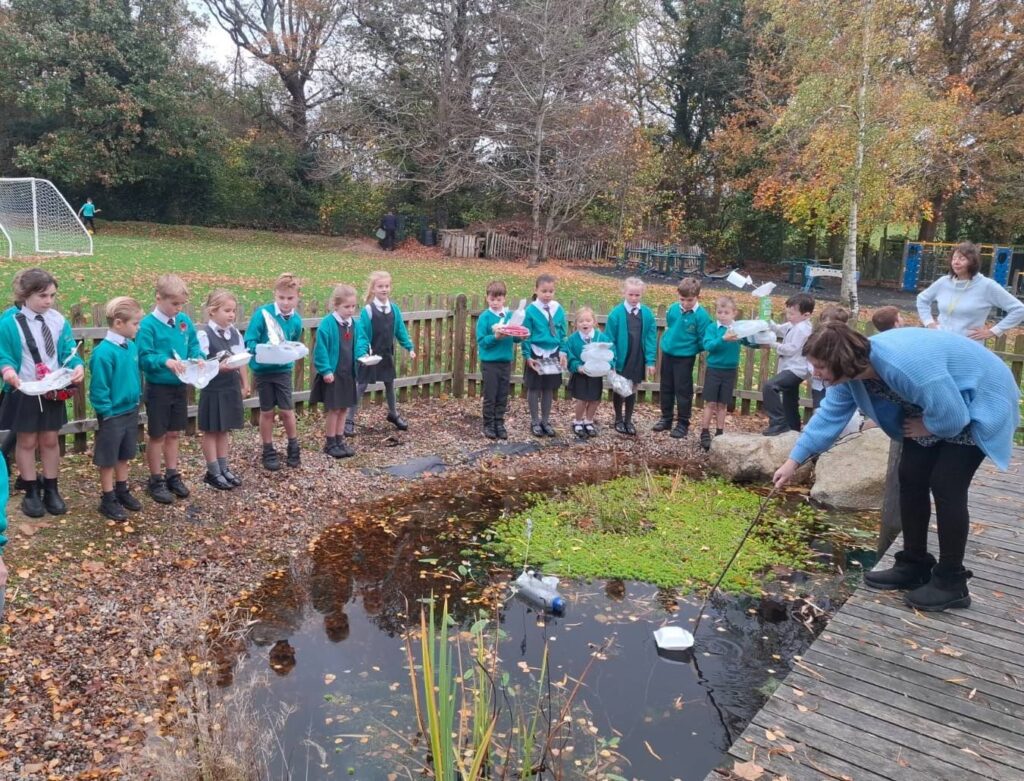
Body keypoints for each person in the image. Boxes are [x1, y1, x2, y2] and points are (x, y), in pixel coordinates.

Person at [773, 324, 1020, 612]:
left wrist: (928, 426)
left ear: (843, 361)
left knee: (946, 484)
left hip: (977, 400)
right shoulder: (851, 378)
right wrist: (793, 461)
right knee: (910, 477)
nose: (815, 373)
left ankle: (952, 582)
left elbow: (954, 417)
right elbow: (828, 417)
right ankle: (914, 563)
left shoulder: (905, 367)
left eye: (821, 367)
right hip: (933, 409)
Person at [0, 268, 85, 517]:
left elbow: (68, 349)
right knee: (26, 441)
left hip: (51, 388)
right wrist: (7, 372)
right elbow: (4, 353)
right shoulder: (9, 322)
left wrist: (77, 365)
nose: (49, 301)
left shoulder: (58, 320)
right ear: (25, 295)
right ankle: (31, 490)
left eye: (52, 295)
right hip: (23, 388)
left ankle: (51, 487)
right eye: (43, 296)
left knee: (49, 439)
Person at [136, 274, 203, 502]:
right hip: (158, 387)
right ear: (158, 298)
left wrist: (198, 358)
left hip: (179, 386)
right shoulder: (147, 326)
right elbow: (144, 356)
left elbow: (193, 343)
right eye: (174, 303)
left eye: (181, 304)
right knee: (157, 435)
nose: (179, 308)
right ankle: (155, 479)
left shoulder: (183, 320)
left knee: (174, 433)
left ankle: (172, 474)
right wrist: (165, 361)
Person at [88, 296, 144, 521]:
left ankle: (122, 490)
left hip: (130, 410)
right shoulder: (104, 353)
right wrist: (107, 412)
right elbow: (99, 388)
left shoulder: (130, 346)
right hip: (112, 414)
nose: (138, 328)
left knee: (124, 453)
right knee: (108, 457)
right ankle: (108, 497)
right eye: (135, 323)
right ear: (119, 323)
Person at [246, 273, 304, 471]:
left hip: (283, 370)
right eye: (281, 298)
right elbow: (250, 340)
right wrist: (263, 349)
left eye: (290, 298)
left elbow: (293, 340)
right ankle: (268, 449)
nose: (285, 303)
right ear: (275, 295)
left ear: (297, 297)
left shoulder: (296, 320)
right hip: (263, 370)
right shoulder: (263, 314)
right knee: (267, 411)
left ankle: (293, 446)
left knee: (287, 411)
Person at [348, 271, 416, 435]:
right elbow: (362, 335)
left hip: (386, 355)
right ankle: (349, 419)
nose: (384, 289)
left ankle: (393, 414)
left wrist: (409, 347)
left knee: (389, 384)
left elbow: (400, 330)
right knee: (361, 386)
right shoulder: (368, 311)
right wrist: (361, 354)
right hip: (370, 356)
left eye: (386, 286)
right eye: (380, 286)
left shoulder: (394, 309)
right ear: (373, 289)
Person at [915, 241, 1024, 338]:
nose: (956, 262)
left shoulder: (986, 285)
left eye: (962, 259)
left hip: (968, 346)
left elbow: (1019, 310)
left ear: (973, 262)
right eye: (954, 258)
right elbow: (922, 299)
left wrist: (993, 331)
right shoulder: (944, 282)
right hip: (941, 342)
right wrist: (929, 323)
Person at [197, 290, 249, 489]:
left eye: (233, 311)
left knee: (224, 429)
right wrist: (219, 367)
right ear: (212, 311)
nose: (231, 315)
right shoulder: (204, 334)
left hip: (230, 387)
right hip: (213, 389)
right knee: (211, 430)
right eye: (227, 310)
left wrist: (245, 383)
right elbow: (199, 364)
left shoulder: (234, 333)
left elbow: (242, 359)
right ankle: (212, 471)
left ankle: (224, 467)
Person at [655, 277, 712, 439]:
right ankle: (666, 418)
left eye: (690, 300)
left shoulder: (701, 316)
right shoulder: (673, 309)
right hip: (668, 353)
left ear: (697, 298)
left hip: (685, 358)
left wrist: (690, 349)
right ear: (677, 296)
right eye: (682, 299)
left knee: (683, 390)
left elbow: (703, 340)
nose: (686, 303)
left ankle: (683, 423)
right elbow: (671, 325)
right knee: (666, 387)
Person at [311, 284, 361, 458]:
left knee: (344, 408)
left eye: (353, 306)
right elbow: (320, 350)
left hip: (348, 373)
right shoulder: (328, 324)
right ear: (336, 305)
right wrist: (325, 370)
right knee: (334, 408)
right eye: (346, 307)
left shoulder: (353, 324)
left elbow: (360, 343)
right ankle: (330, 442)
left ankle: (340, 440)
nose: (350, 310)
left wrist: (364, 354)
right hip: (334, 374)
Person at [605, 277, 657, 436]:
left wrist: (650, 361)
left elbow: (650, 338)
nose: (634, 298)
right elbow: (609, 339)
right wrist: (611, 359)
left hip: (637, 356)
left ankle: (628, 420)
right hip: (622, 357)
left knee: (632, 387)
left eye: (637, 295)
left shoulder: (647, 314)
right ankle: (618, 419)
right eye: (631, 295)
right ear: (624, 293)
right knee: (621, 388)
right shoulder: (616, 314)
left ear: (642, 294)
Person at [760, 292, 815, 435]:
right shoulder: (794, 324)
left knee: (770, 387)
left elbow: (791, 349)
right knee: (789, 400)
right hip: (789, 367)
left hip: (797, 369)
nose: (789, 317)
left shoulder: (803, 329)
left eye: (792, 314)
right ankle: (794, 429)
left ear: (806, 315)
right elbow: (778, 329)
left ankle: (778, 422)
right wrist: (766, 320)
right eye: (788, 313)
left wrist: (773, 344)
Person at [520, 273, 567, 437]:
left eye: (551, 291)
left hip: (553, 352)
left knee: (548, 388)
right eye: (544, 291)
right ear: (536, 290)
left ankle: (545, 421)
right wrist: (527, 355)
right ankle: (534, 421)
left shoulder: (558, 309)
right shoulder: (531, 310)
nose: (547, 294)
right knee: (534, 387)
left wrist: (563, 351)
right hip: (536, 352)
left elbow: (562, 332)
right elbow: (526, 333)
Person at [475, 280, 520, 440]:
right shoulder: (485, 318)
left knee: (502, 394)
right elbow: (482, 342)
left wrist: (521, 336)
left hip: (505, 361)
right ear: (487, 298)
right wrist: (495, 337)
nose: (495, 303)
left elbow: (515, 338)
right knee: (490, 394)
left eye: (499, 300)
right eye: (492, 299)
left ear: (504, 299)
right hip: (490, 363)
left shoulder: (508, 316)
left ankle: (499, 423)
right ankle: (488, 424)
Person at [699, 295, 744, 451]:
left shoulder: (737, 328)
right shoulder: (712, 328)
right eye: (720, 312)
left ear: (734, 313)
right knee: (710, 402)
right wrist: (723, 339)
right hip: (714, 369)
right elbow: (709, 346)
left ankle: (719, 432)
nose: (722, 315)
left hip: (730, 370)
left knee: (723, 404)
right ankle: (704, 431)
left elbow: (748, 341)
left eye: (726, 312)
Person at [565, 307, 613, 438]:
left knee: (594, 399)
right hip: (581, 374)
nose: (585, 323)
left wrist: (610, 365)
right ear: (576, 324)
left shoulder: (600, 337)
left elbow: (610, 352)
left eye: (588, 320)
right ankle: (578, 421)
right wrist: (577, 366)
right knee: (582, 399)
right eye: (581, 321)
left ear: (594, 322)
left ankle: (589, 421)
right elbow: (570, 356)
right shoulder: (572, 339)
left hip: (596, 375)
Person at [810, 304, 850, 409]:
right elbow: (809, 359)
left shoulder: (846, 343)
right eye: (824, 323)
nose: (826, 327)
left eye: (830, 324)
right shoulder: (816, 339)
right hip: (819, 384)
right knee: (818, 409)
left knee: (834, 409)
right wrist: (814, 371)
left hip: (837, 385)